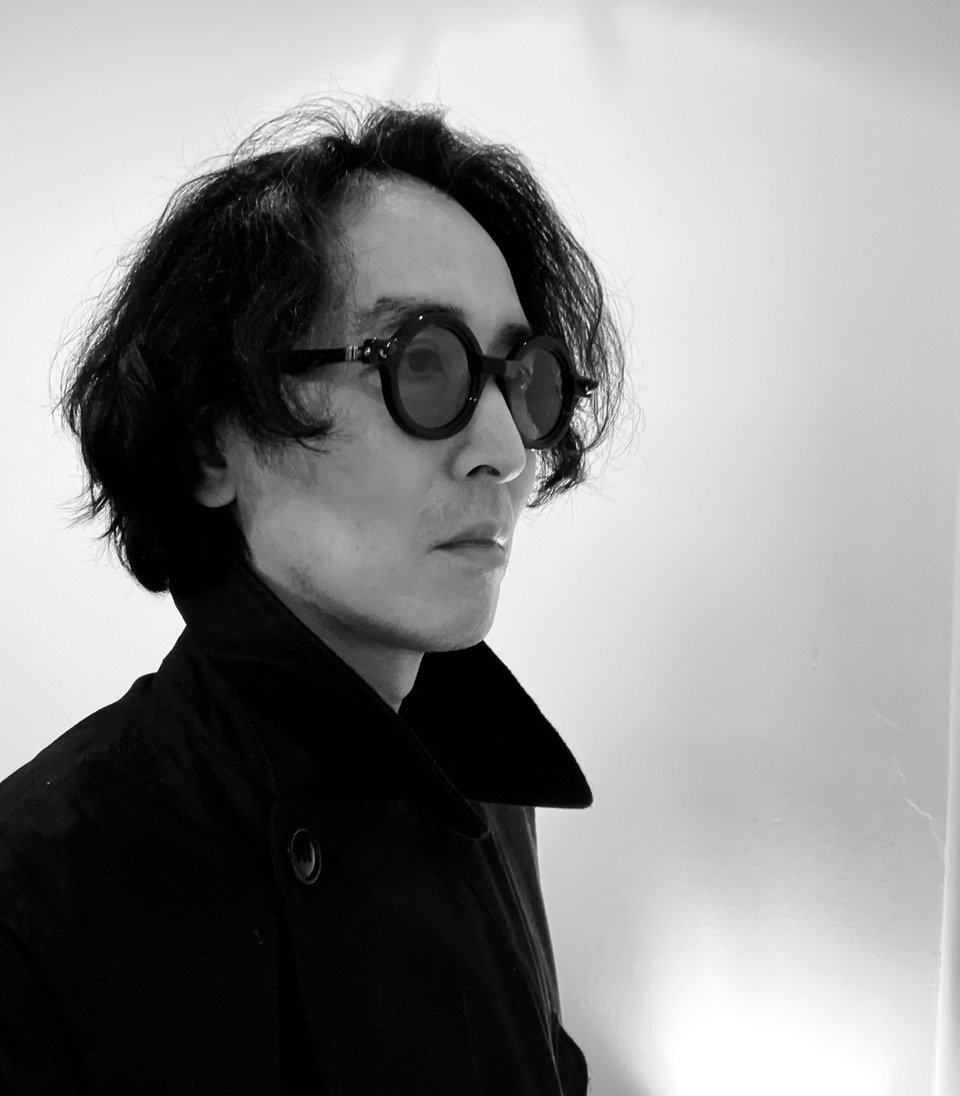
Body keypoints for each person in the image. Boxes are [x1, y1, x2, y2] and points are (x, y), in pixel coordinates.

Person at [0, 100, 624, 1094]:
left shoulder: (485, 784)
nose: (508, 450)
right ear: (212, 442)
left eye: (524, 379)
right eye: (424, 364)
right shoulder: (38, 899)